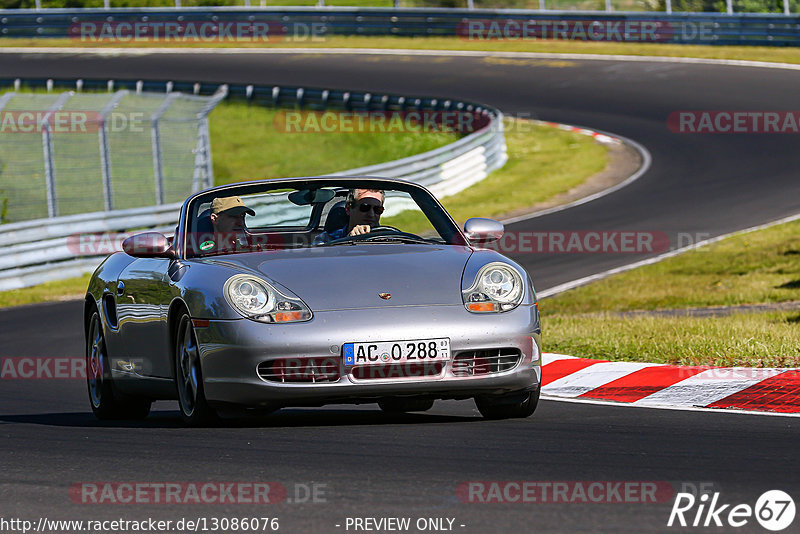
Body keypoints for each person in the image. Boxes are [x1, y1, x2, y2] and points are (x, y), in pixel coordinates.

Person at [315, 188, 385, 244]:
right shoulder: (326, 240)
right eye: (365, 207)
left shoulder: (388, 239)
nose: (371, 214)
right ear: (348, 209)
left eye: (378, 209)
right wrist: (349, 241)